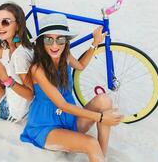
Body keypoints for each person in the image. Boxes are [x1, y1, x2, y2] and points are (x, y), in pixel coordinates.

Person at [20, 13, 123, 162]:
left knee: (104, 100)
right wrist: (101, 117)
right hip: (46, 126)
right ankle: (97, 154)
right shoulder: (38, 70)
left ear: (66, 41)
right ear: (42, 42)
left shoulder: (65, 55)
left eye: (60, 39)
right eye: (49, 39)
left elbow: (80, 66)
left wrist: (94, 43)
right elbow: (62, 104)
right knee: (90, 142)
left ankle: (101, 156)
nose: (55, 46)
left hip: (69, 120)